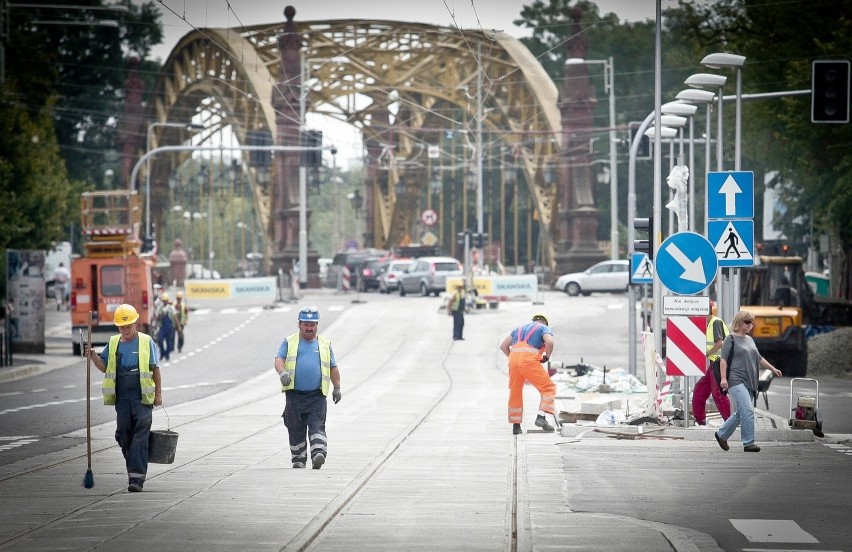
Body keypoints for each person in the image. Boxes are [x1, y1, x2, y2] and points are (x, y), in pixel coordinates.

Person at [87, 304, 162, 492]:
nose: (125, 330)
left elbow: (155, 369)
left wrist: (158, 394)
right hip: (122, 399)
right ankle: (134, 469)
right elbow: (105, 367)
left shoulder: (146, 342)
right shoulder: (113, 343)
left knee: (140, 438)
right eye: (122, 326)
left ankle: (136, 479)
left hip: (142, 398)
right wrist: (94, 356)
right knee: (124, 436)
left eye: (128, 325)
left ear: (135, 323)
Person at [274, 306, 342, 469]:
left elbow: (333, 367)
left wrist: (337, 387)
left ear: (317, 325)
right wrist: (282, 372)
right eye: (306, 324)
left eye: (313, 325)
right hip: (294, 395)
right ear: (299, 324)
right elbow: (278, 359)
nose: (309, 328)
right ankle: (298, 458)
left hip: (317, 396)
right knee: (295, 427)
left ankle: (318, 453)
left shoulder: (325, 344)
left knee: (317, 424)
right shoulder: (289, 341)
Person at [714, 310, 783, 453]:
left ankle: (721, 434)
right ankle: (748, 442)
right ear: (739, 322)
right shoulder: (730, 339)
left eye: (751, 322)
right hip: (735, 379)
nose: (750, 325)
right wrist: (723, 379)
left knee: (741, 413)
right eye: (747, 322)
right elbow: (723, 360)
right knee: (747, 410)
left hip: (750, 381)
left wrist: (773, 368)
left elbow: (759, 358)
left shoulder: (750, 339)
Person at [499, 312, 556, 435]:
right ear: (545, 322)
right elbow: (549, 342)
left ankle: (516, 426)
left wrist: (513, 359)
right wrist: (547, 356)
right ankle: (541, 417)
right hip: (529, 361)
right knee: (548, 388)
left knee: (515, 392)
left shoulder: (518, 329)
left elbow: (503, 346)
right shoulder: (544, 328)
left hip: (513, 362)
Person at [691, 301, 731, 425]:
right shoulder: (708, 324)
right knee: (699, 390)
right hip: (713, 364)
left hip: (719, 363)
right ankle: (700, 420)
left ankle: (729, 423)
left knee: (718, 394)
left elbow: (720, 343)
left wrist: (707, 353)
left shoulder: (715, 322)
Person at [155, 292, 181, 361]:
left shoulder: (171, 308)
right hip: (162, 327)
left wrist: (178, 327)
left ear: (167, 300)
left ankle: (167, 354)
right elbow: (157, 317)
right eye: (163, 300)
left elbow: (175, 317)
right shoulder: (160, 308)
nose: (164, 301)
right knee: (159, 340)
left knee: (169, 343)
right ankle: (162, 352)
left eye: (165, 300)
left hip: (170, 327)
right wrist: (159, 317)